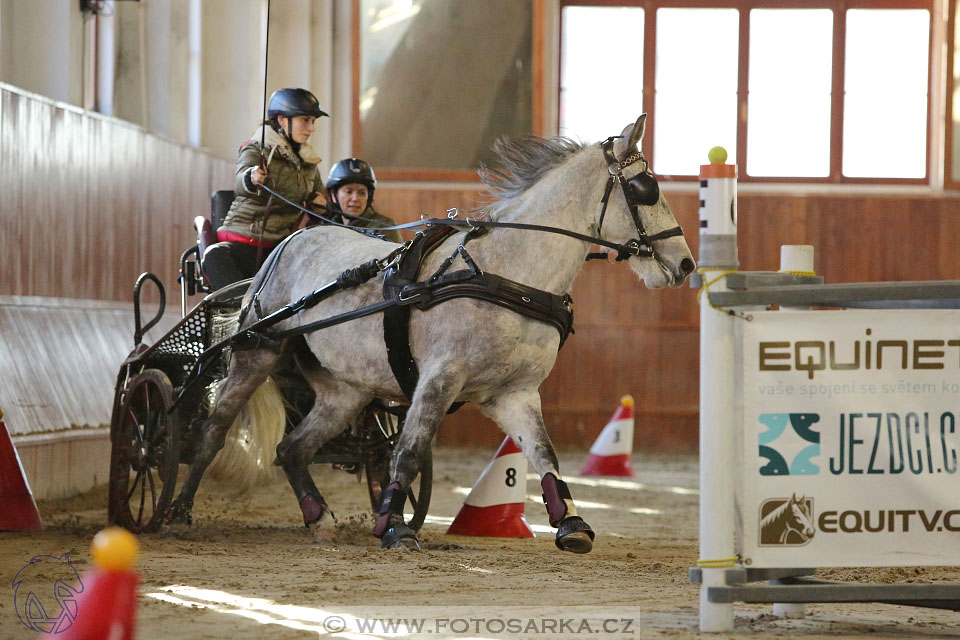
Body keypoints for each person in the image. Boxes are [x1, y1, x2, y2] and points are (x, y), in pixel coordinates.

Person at [203, 87, 328, 290]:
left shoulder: (309, 163)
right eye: (305, 120)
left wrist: (320, 206)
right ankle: (241, 312)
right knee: (214, 255)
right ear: (281, 120)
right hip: (243, 242)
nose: (311, 128)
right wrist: (251, 177)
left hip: (281, 248)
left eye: (313, 121)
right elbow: (241, 181)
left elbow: (319, 201)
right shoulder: (256, 148)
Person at [324, 158, 404, 244]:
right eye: (348, 191)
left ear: (369, 197)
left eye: (362, 193)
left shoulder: (384, 227)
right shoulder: (327, 226)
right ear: (333, 196)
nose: (355, 198)